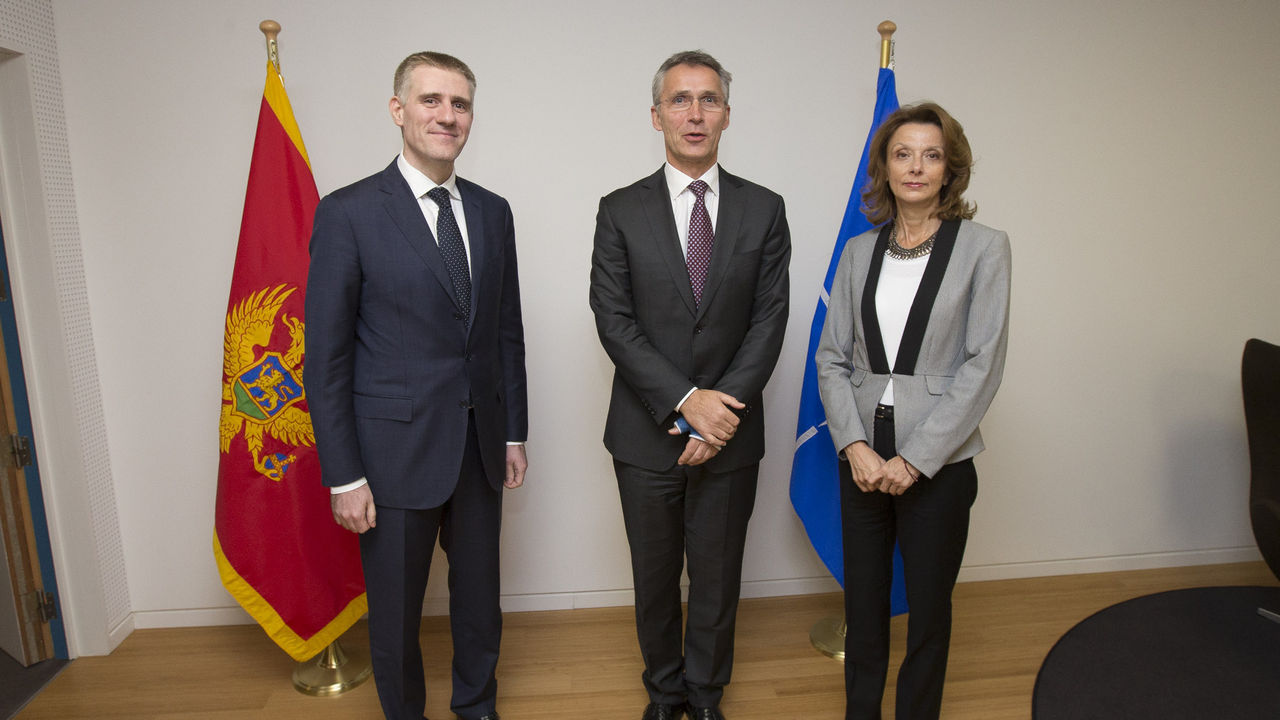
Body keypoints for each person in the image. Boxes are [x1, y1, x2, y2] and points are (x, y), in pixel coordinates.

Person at [305, 51, 527, 720]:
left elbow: (506, 332)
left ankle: (477, 705)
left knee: (479, 601)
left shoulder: (492, 212)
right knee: (397, 613)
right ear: (399, 111)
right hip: (390, 455)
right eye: (431, 100)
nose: (447, 115)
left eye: (459, 104)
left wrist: (513, 429)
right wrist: (344, 475)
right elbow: (326, 357)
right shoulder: (348, 213)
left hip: (479, 447)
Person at [589, 50, 791, 720]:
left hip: (732, 435)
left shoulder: (765, 210)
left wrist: (719, 414)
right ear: (656, 115)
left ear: (727, 114)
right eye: (680, 100)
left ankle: (705, 697)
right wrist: (686, 404)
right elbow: (614, 321)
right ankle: (664, 693)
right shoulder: (619, 210)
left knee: (715, 578)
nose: (695, 113)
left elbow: (768, 321)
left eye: (708, 100)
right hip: (646, 436)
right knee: (654, 581)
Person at [815, 102, 1010, 720]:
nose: (916, 167)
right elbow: (831, 359)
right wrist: (854, 446)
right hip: (863, 459)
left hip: (940, 463)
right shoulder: (857, 252)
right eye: (903, 154)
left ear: (951, 168)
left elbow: (983, 363)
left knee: (928, 609)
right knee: (863, 607)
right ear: (886, 167)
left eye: (931, 154)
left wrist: (918, 460)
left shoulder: (985, 248)